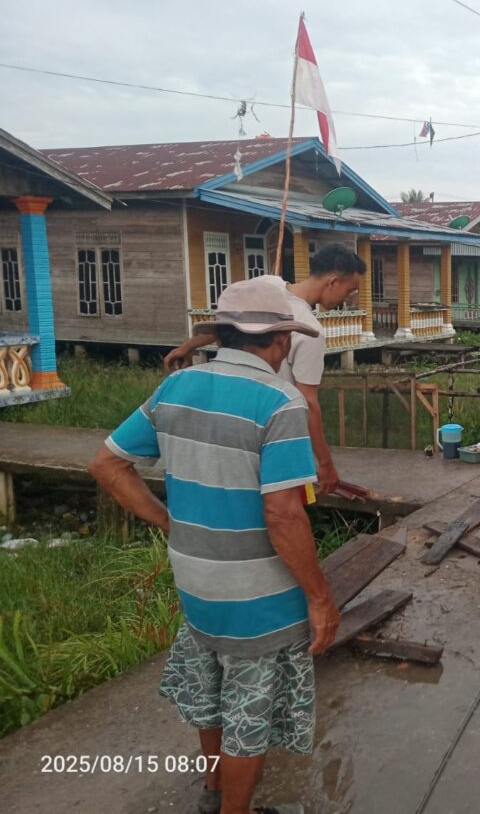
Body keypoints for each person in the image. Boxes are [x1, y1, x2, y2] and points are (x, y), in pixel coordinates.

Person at [88, 279, 340, 814]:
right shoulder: (281, 402)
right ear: (279, 340)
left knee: (212, 688)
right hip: (257, 595)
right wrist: (320, 598)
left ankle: (213, 792)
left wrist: (168, 522)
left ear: (223, 335)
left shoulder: (176, 386)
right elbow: (283, 514)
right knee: (248, 712)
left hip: (196, 579)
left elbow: (107, 464)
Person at [164, 243, 367, 496]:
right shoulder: (310, 331)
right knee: (282, 501)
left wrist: (189, 345)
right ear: (333, 281)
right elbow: (308, 402)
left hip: (230, 415)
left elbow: (232, 324)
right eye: (350, 290)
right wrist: (325, 464)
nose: (348, 299)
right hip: (272, 428)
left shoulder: (266, 285)